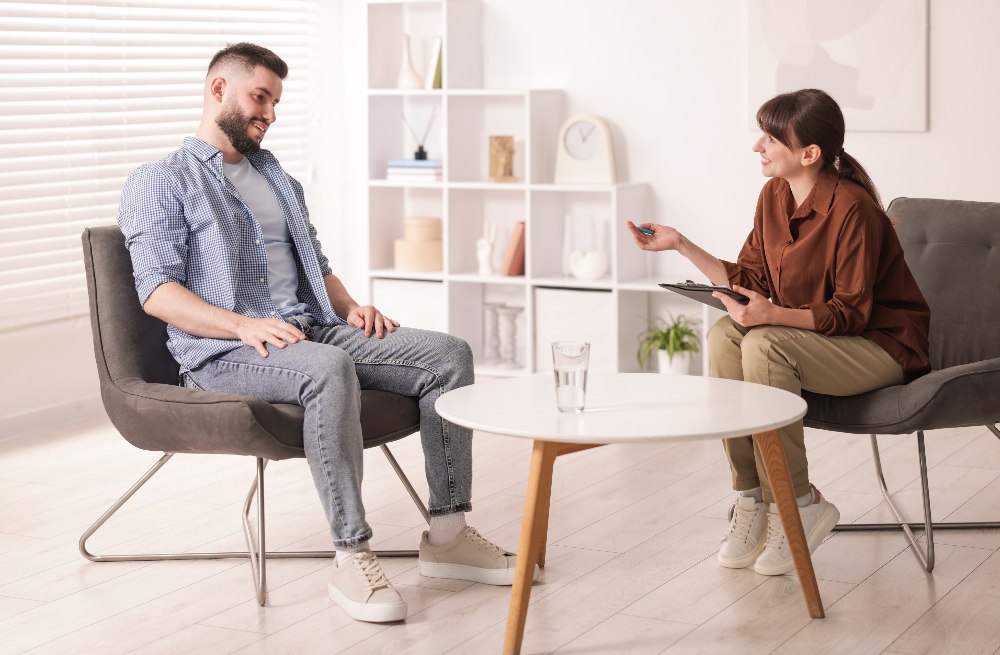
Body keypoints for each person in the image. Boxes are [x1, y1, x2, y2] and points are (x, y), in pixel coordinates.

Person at [117, 43, 530, 623]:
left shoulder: (274, 174)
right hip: (227, 350)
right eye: (260, 97)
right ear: (217, 90)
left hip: (313, 329)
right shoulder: (161, 180)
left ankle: (447, 535)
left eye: (276, 101)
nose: (271, 113)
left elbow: (316, 264)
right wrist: (242, 323)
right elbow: (157, 292)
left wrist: (354, 308)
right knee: (328, 369)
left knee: (449, 356)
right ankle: (350, 554)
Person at [627, 88, 930, 576]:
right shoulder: (773, 196)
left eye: (770, 139)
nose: (757, 147)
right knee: (723, 337)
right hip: (824, 340)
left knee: (765, 343)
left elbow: (850, 313)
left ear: (809, 154)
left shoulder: (853, 209)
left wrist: (770, 317)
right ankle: (754, 499)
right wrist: (680, 245)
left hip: (882, 346)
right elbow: (752, 282)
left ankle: (798, 503)